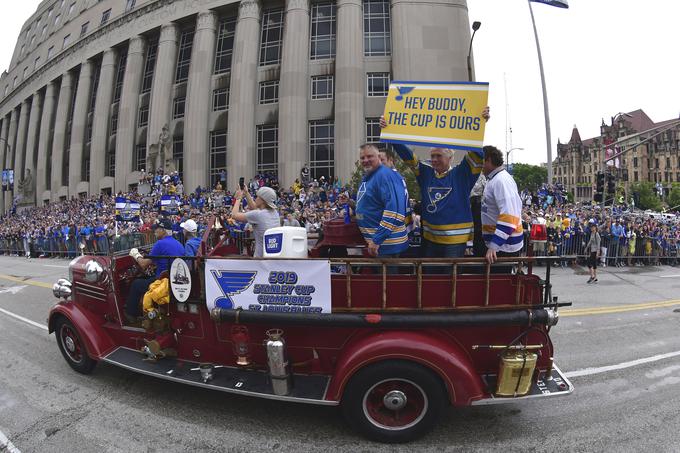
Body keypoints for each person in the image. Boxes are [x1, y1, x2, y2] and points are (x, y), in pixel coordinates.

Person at [379, 107, 489, 258]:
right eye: (432, 156)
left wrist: (480, 124)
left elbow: (477, 153)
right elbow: (408, 156)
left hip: (454, 243)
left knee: (450, 279)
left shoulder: (462, 173)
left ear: (450, 157)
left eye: (438, 156)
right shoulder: (426, 172)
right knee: (430, 279)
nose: (434, 160)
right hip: (430, 240)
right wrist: (390, 132)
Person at [125, 218, 185, 323]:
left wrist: (136, 255)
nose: (154, 231)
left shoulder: (160, 244)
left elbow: (143, 264)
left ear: (163, 230)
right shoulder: (178, 243)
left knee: (136, 284)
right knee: (144, 279)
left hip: (163, 281)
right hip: (173, 279)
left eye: (157, 229)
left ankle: (131, 315)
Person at [354, 144, 408, 257]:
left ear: (378, 157)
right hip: (378, 244)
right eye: (362, 158)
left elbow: (395, 212)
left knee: (387, 275)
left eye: (370, 156)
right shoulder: (370, 175)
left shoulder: (385, 175)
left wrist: (377, 240)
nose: (366, 160)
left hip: (386, 246)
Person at [480, 146, 524, 264]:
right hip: (500, 245)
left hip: (503, 247)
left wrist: (494, 245)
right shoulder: (495, 179)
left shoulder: (501, 180)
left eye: (480, 161)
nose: (478, 165)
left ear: (488, 160)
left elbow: (509, 216)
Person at [230, 186, 280, 257]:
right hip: (272, 256)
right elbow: (254, 207)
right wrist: (246, 193)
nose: (255, 199)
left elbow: (234, 215)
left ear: (262, 200)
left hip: (260, 258)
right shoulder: (275, 213)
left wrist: (238, 198)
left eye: (257, 197)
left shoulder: (258, 215)